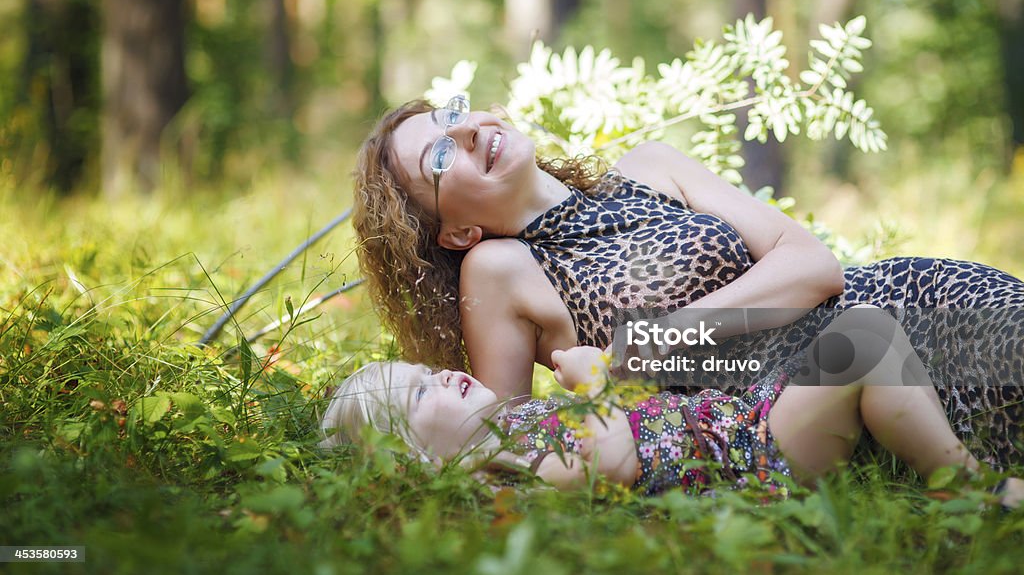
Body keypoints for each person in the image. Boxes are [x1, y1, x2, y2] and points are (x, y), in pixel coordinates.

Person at [351, 96, 1024, 466]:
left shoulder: (652, 165)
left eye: (453, 111)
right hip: (818, 398)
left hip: (910, 295)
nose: (467, 129)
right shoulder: (498, 271)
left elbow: (813, 267)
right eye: (440, 154)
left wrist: (648, 345)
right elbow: (507, 440)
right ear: (457, 232)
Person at [321, 306, 1023, 508]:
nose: (441, 374)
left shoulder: (513, 426)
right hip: (752, 456)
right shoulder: (507, 467)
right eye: (418, 392)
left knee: (862, 335)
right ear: (413, 457)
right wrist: (593, 382)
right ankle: (968, 479)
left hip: (745, 422)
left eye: (426, 369)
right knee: (865, 339)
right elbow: (610, 458)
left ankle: (939, 458)